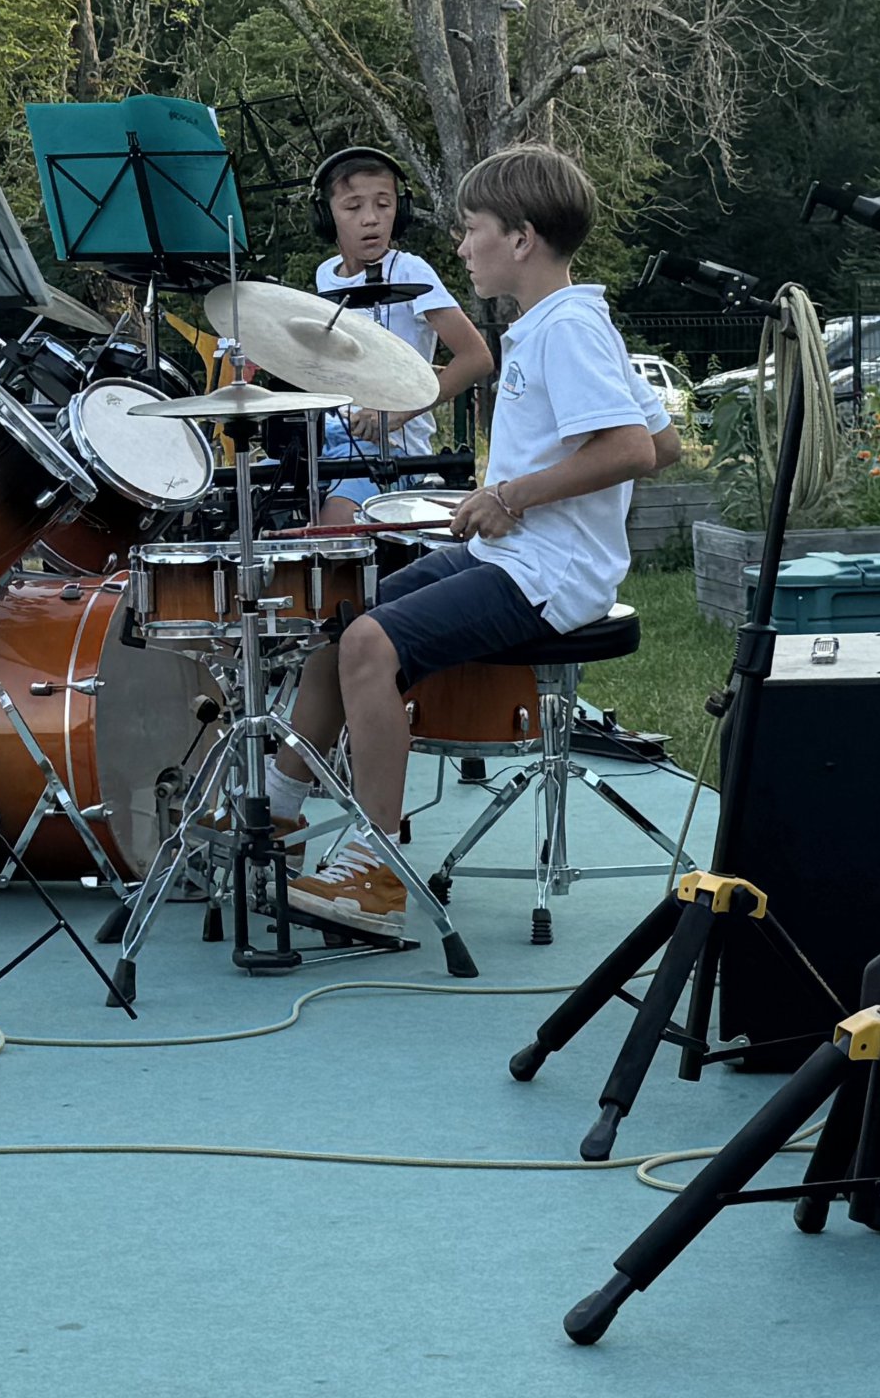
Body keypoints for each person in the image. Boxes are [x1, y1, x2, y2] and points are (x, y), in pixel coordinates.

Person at [273, 146, 675, 940]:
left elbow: (631, 449)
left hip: (551, 574)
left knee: (368, 645)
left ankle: (377, 870)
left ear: (520, 238)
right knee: (341, 623)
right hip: (517, 556)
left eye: (471, 228)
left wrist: (510, 495)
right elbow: (664, 443)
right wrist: (508, 492)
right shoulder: (562, 321)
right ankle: (278, 815)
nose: (459, 246)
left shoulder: (568, 329)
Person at [306, 144, 494, 508]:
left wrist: (398, 414)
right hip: (328, 439)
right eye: (353, 207)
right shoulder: (325, 274)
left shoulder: (409, 270)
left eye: (384, 204)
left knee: (336, 518)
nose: (371, 219)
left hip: (392, 450)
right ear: (325, 216)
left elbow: (476, 358)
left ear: (401, 210)